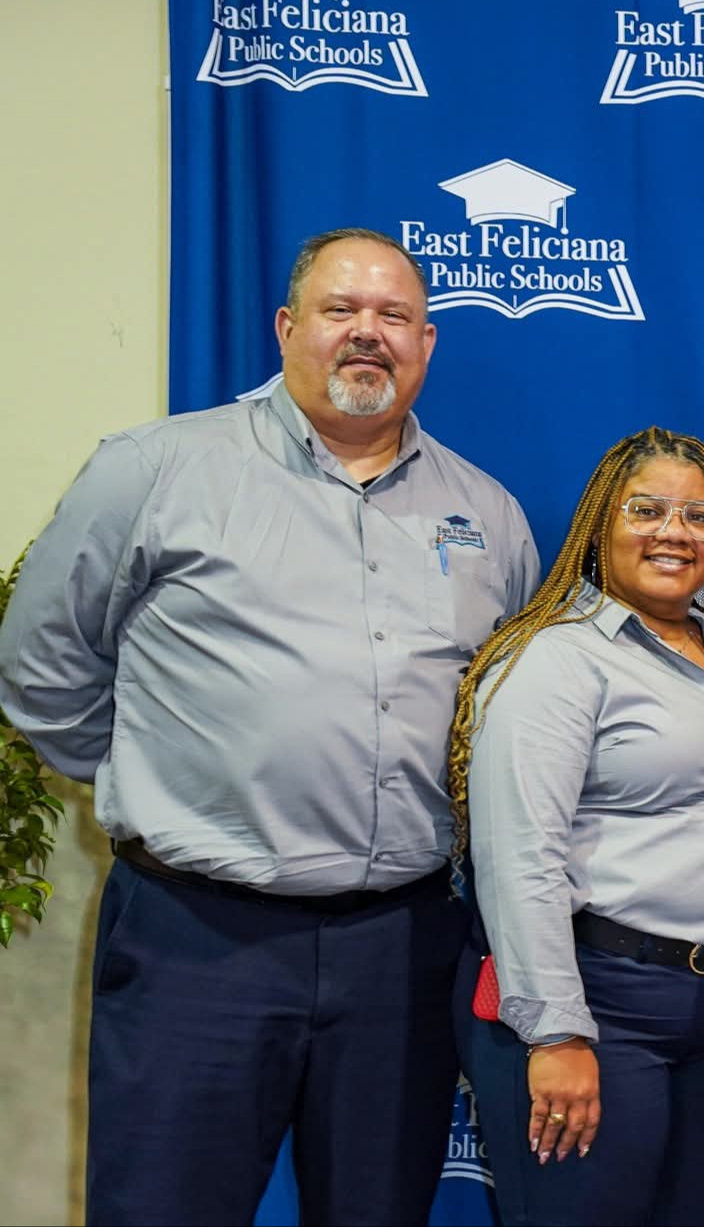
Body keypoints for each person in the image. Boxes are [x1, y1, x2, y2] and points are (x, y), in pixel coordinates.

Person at [0, 228, 538, 1225]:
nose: (367, 335)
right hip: (197, 939)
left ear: (426, 344)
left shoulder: (488, 515)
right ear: (288, 327)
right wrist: (160, 792)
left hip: (402, 948)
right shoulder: (156, 469)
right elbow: (39, 669)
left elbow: (508, 725)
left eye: (392, 317)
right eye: (341, 312)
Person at [450, 428, 704, 1226]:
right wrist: (556, 1033)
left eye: (700, 515)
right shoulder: (554, 659)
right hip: (598, 1004)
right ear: (600, 524)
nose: (675, 531)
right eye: (647, 509)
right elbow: (519, 856)